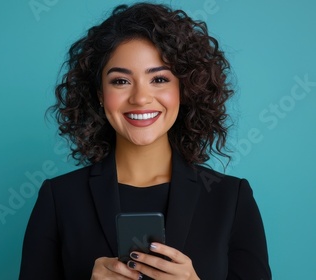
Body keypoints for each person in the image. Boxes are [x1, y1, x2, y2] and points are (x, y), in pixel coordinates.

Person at [19, 2, 271, 279]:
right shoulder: (59, 198)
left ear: (183, 90)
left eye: (159, 79)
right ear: (100, 94)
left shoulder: (230, 199)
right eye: (121, 81)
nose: (140, 98)